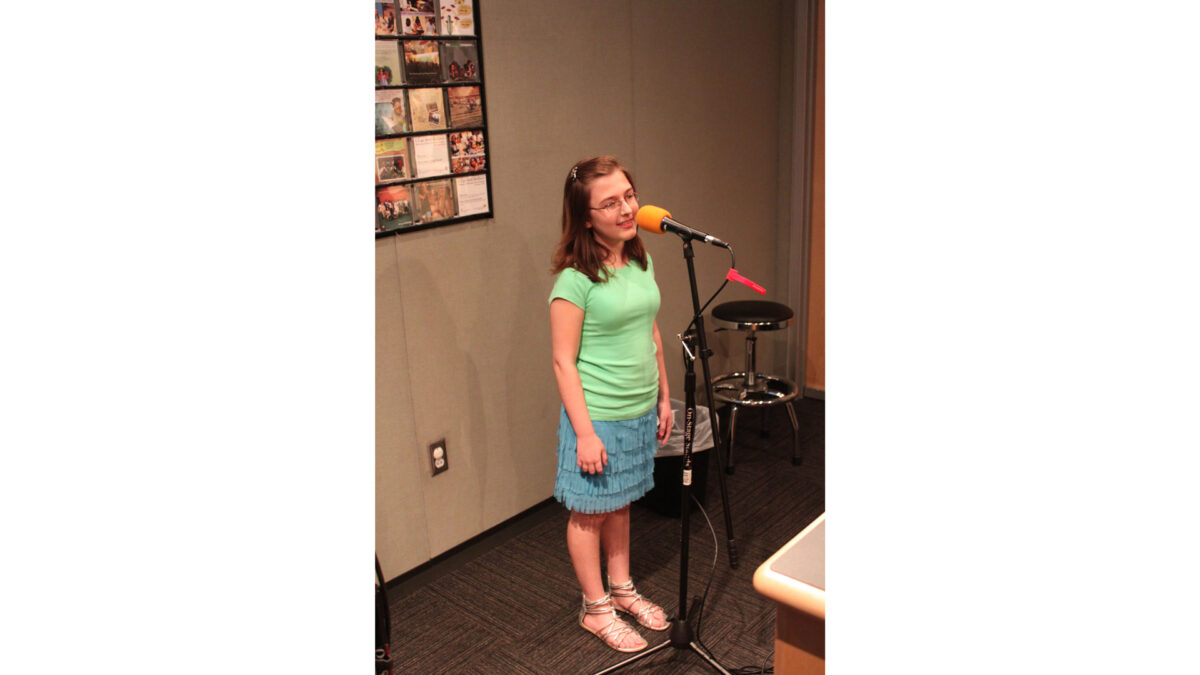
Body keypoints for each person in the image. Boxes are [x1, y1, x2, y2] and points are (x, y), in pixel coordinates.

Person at [548, 156, 672, 653]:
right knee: (588, 513)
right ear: (584, 217)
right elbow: (562, 362)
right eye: (610, 202)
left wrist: (664, 395)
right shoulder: (574, 280)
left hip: (640, 408)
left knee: (619, 502)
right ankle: (595, 608)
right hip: (598, 414)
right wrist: (584, 433)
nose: (626, 209)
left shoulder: (640, 259)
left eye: (628, 195)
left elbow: (653, 332)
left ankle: (621, 589)